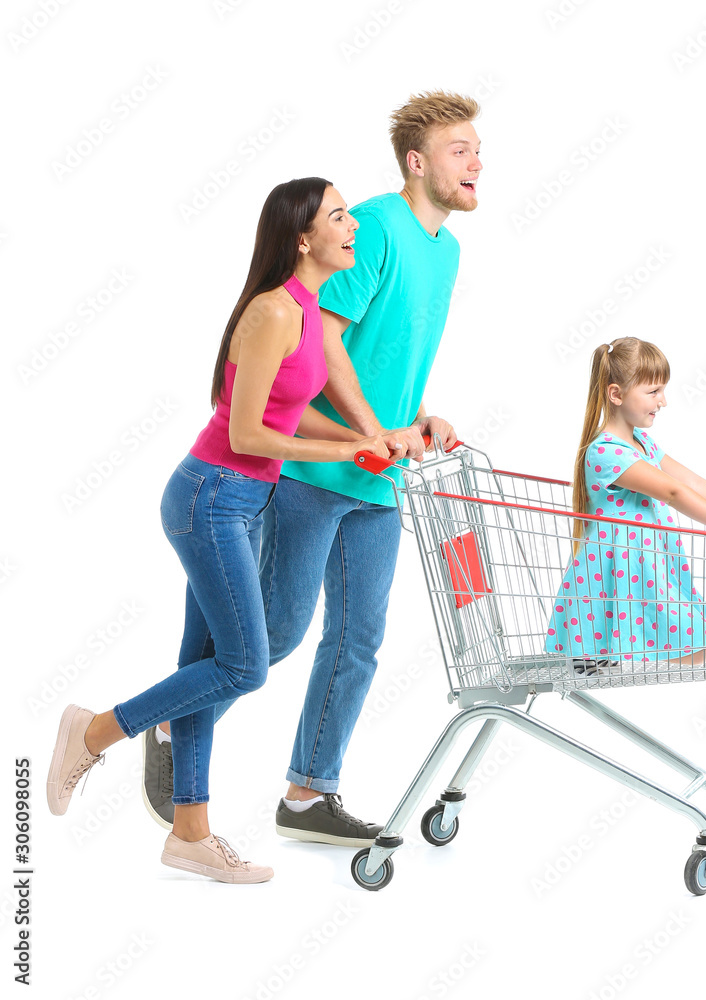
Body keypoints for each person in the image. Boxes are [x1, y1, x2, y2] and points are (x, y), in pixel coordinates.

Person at [142, 90, 483, 844]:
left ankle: (307, 795)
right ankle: (167, 723)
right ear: (417, 161)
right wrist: (359, 434)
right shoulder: (376, 229)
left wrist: (412, 423)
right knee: (277, 636)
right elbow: (315, 352)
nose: (477, 161)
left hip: (380, 475)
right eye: (460, 149)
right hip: (312, 475)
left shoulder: (448, 249)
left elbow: (391, 363)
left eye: (477, 148)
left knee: (359, 638)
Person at [47, 178, 391, 883]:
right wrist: (344, 452)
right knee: (244, 665)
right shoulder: (271, 312)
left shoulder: (305, 306)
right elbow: (244, 429)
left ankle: (190, 835)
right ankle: (92, 731)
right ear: (303, 238)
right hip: (210, 498)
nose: (353, 224)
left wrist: (370, 437)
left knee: (202, 670)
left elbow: (289, 413)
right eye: (339, 215)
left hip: (243, 502)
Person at [545, 337, 706, 672]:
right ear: (616, 394)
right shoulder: (606, 451)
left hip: (649, 570)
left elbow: (692, 483)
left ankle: (616, 657)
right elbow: (673, 493)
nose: (663, 401)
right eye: (653, 391)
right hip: (618, 576)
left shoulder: (641, 443)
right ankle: (611, 655)